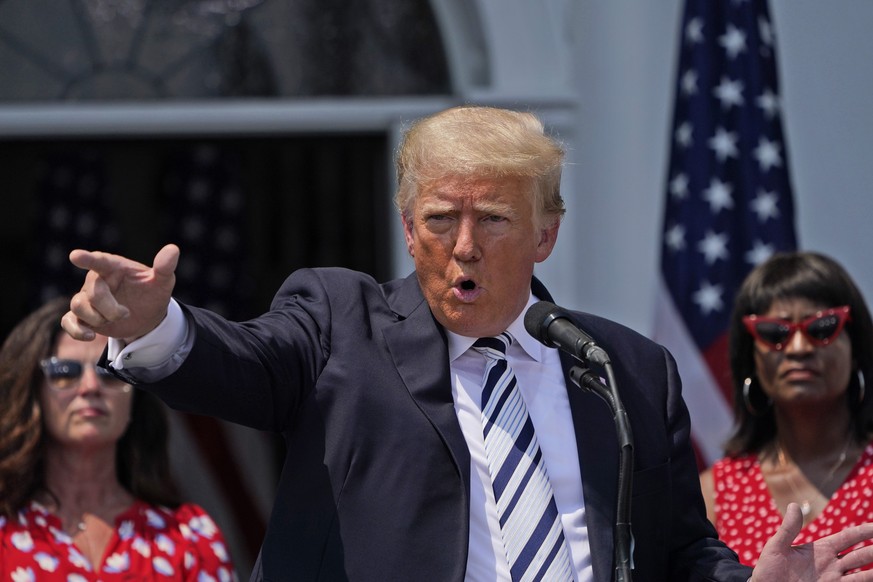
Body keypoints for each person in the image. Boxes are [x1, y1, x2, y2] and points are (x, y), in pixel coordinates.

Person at [61, 105, 873, 581]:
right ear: (407, 229)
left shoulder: (624, 367)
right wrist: (156, 329)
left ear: (545, 234)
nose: (463, 246)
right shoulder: (337, 320)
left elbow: (673, 548)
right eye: (440, 220)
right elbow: (240, 366)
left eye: (491, 220)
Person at [0, 297, 237, 581]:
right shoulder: (5, 528)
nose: (90, 387)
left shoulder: (191, 536)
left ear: (135, 399)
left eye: (109, 372)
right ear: (33, 393)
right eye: (64, 372)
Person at [699, 251, 873, 567]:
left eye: (821, 328)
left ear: (857, 347)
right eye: (775, 332)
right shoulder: (714, 494)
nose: (799, 348)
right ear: (750, 358)